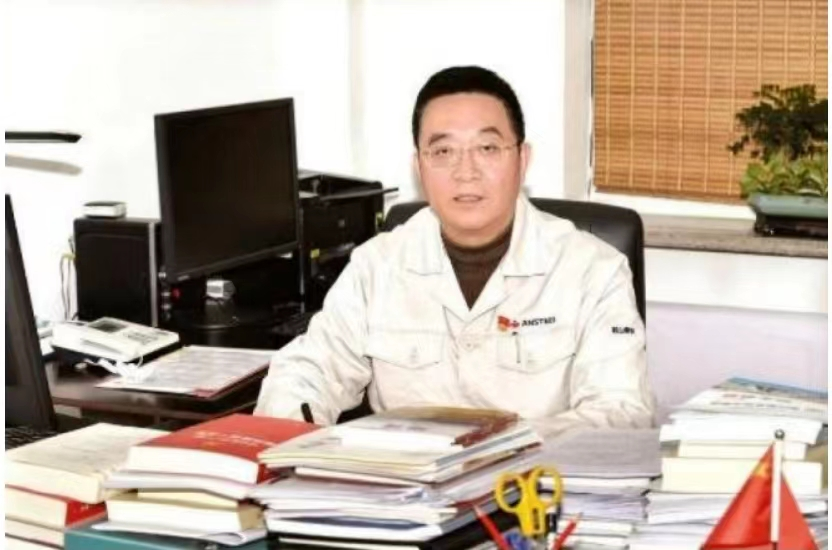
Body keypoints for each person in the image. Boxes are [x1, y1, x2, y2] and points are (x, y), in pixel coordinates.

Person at [255, 66, 654, 436]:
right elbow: (304, 373)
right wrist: (298, 441)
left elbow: (622, 411)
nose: (466, 171)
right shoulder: (377, 266)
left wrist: (499, 448)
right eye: (443, 152)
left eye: (487, 148)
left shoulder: (593, 270)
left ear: (522, 160)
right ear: (420, 167)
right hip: (402, 483)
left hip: (536, 480)